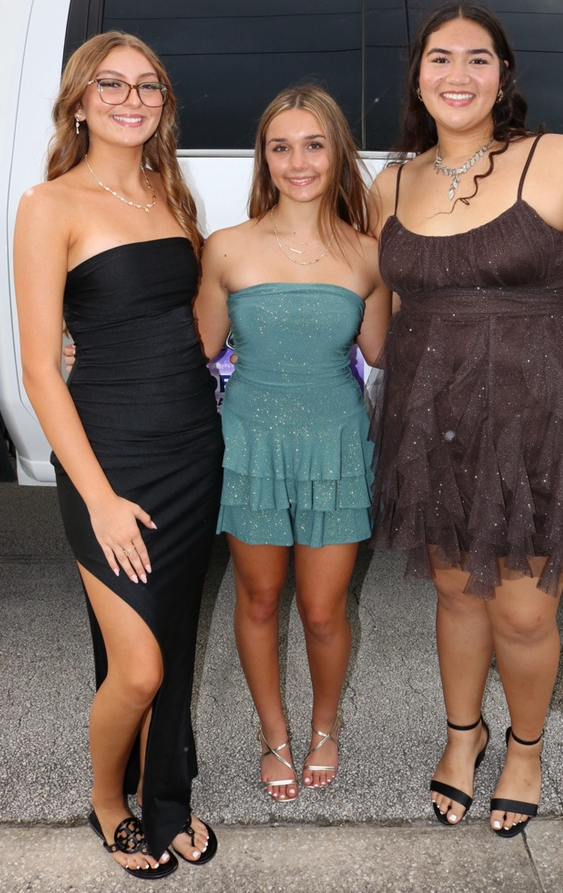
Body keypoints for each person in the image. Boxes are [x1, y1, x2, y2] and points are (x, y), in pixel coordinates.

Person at [369, 2, 563, 837]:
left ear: (503, 76)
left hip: (538, 421)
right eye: (440, 58)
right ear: (417, 76)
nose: (458, 74)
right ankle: (463, 736)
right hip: (428, 421)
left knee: (523, 609)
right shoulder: (388, 180)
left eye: (477, 59)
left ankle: (523, 748)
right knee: (454, 591)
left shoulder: (556, 160)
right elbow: (376, 318)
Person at [13, 32, 223, 878]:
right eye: (112, 84)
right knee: (136, 667)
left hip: (189, 445)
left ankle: (165, 793)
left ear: (163, 104)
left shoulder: (170, 195)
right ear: (79, 99)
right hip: (107, 455)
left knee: (170, 632)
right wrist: (97, 496)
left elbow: (194, 326)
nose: (131, 99)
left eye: (148, 87)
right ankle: (108, 797)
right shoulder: (48, 204)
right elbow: (37, 367)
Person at [194, 84, 390, 801]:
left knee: (321, 609)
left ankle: (325, 726)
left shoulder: (369, 255)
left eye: (313, 144)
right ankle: (272, 731)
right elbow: (193, 351)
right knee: (257, 598)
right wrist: (86, 351)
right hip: (248, 443)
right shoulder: (226, 248)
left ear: (336, 152)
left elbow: (387, 351)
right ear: (263, 157)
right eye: (281, 146)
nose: (297, 161)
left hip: (336, 444)